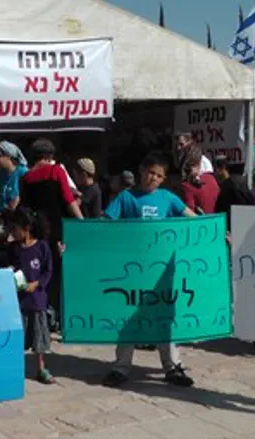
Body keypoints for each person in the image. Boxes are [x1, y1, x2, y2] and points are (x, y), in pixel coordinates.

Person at [101, 152, 197, 389]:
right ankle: (121, 367)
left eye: (159, 175)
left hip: (163, 273)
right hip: (132, 272)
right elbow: (105, 224)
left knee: (166, 319)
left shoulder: (168, 198)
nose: (153, 178)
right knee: (128, 319)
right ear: (141, 171)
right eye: (150, 172)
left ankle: (172, 366)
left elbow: (193, 220)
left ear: (163, 179)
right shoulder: (125, 198)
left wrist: (214, 230)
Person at [20, 138, 83, 323]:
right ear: (49, 156)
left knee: (41, 272)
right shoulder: (56, 171)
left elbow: (25, 207)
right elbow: (68, 200)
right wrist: (82, 221)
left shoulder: (26, 178)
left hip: (37, 233)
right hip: (58, 229)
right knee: (58, 273)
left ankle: (43, 313)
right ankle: (59, 316)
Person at [9, 208, 55, 384]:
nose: (13, 232)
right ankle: (16, 368)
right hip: (20, 301)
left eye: (16, 228)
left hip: (37, 301)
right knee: (19, 337)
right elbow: (12, 266)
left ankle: (41, 368)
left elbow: (48, 270)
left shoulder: (42, 246)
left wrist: (36, 284)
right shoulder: (15, 249)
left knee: (39, 339)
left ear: (26, 228)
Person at [214, 155, 255, 230]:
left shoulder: (227, 185)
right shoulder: (241, 181)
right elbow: (252, 202)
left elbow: (220, 208)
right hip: (244, 223)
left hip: (231, 225)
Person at [0, 140, 29, 213]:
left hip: (18, 216)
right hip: (0, 215)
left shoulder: (23, 172)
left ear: (8, 155)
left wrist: (18, 199)